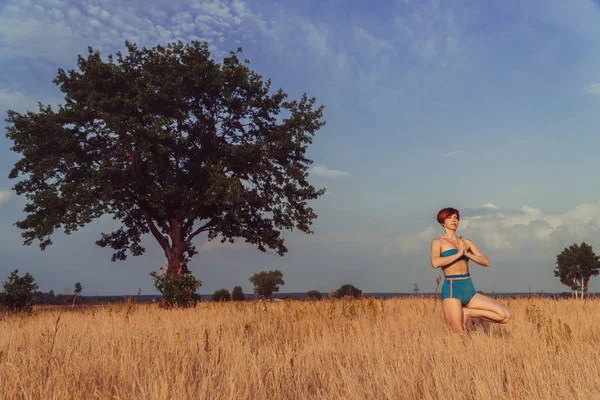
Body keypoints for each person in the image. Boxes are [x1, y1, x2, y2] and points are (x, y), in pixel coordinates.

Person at [430, 207, 512, 335]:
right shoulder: (438, 242)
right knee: (458, 334)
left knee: (505, 315)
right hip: (452, 291)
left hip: (469, 289)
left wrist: (467, 254)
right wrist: (458, 254)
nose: (453, 220)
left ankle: (468, 312)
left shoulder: (466, 242)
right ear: (442, 222)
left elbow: (486, 261)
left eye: (456, 217)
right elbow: (435, 263)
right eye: (449, 217)